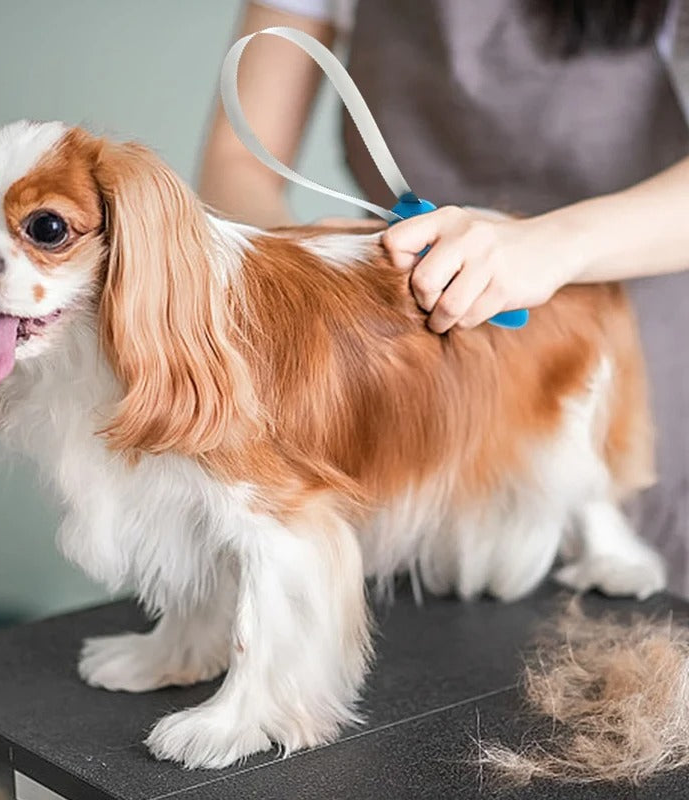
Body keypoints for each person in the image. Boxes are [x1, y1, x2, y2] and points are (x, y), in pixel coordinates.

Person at [199, 0, 689, 593]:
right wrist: (303, 258)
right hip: (412, 392)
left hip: (627, 364)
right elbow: (237, 160)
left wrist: (548, 247)